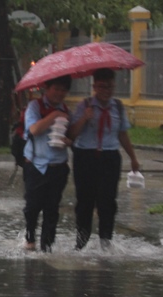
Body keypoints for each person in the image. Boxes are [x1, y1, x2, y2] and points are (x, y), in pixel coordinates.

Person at [67, 68, 140, 250]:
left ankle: (105, 241)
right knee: (85, 202)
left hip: (109, 158)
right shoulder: (84, 105)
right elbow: (72, 134)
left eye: (110, 86)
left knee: (107, 201)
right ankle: (81, 241)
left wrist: (133, 157)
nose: (106, 90)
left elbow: (122, 134)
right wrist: (85, 117)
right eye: (102, 86)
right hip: (86, 157)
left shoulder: (118, 106)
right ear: (95, 87)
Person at [21, 75, 73, 252]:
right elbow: (34, 129)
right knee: (32, 206)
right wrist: (55, 115)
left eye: (63, 90)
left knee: (52, 208)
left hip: (58, 165)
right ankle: (30, 238)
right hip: (36, 165)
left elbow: (71, 135)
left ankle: (47, 245)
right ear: (47, 88)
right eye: (56, 89)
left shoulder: (66, 110)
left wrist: (68, 140)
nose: (59, 93)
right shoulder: (35, 107)